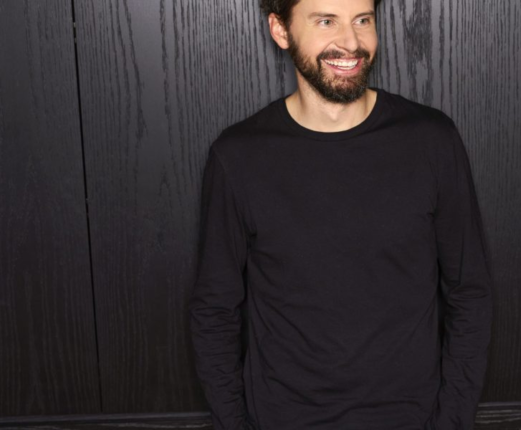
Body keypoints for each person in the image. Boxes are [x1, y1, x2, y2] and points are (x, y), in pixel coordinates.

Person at [188, 0, 493, 428]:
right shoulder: (238, 157)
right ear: (280, 30)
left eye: (362, 20)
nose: (351, 42)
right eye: (326, 21)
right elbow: (214, 310)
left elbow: (470, 292)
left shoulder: (431, 140)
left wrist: (451, 421)